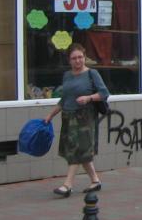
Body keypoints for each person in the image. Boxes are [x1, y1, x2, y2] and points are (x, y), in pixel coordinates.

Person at [43, 43, 108, 197]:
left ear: (84, 57)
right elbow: (64, 99)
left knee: (78, 150)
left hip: (85, 117)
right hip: (68, 117)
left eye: (80, 57)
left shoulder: (92, 73)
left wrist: (88, 98)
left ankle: (67, 185)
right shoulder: (67, 75)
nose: (78, 61)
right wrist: (50, 115)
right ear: (69, 60)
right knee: (79, 150)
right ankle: (95, 181)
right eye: (74, 58)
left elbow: (104, 93)